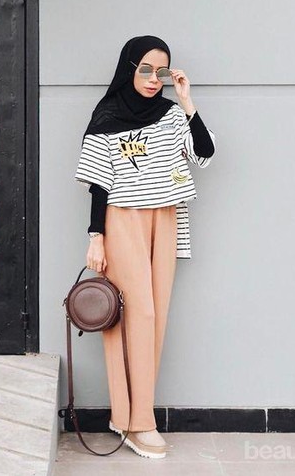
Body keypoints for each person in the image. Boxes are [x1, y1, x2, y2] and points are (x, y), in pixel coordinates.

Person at [75, 35, 215, 459]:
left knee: (154, 318)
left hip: (166, 219)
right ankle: (139, 423)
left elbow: (204, 153)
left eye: (162, 72)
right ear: (129, 69)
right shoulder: (107, 115)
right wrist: (96, 237)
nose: (154, 79)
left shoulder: (171, 114)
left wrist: (187, 102)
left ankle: (127, 415)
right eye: (146, 70)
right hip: (123, 219)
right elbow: (99, 183)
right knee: (137, 315)